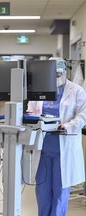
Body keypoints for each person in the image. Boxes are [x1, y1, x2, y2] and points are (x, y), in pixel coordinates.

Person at [27, 57, 86, 216]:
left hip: (63, 151)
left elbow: (83, 115)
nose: (56, 77)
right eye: (52, 74)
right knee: (43, 194)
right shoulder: (40, 90)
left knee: (59, 194)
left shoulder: (76, 90)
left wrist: (67, 126)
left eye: (59, 74)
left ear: (65, 72)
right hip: (42, 150)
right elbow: (31, 111)